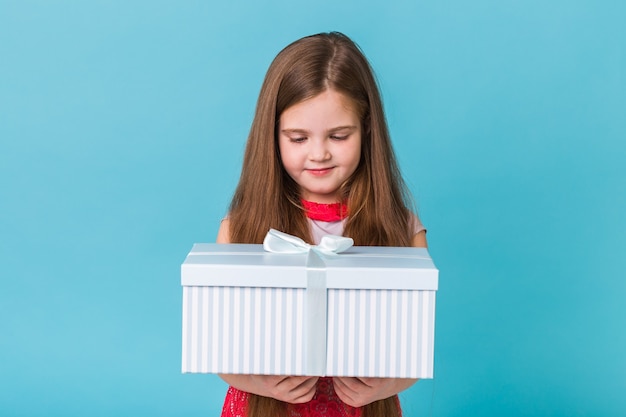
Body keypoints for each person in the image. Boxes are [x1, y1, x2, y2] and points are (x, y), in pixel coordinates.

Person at [216, 31, 427, 417]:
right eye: (298, 138)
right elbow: (220, 349)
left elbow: (414, 348)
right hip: (266, 409)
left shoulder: (403, 229)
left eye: (338, 135)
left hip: (359, 408)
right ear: (272, 136)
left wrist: (387, 384)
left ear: (366, 130)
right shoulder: (239, 228)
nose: (319, 154)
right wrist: (256, 381)